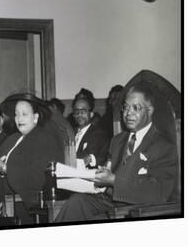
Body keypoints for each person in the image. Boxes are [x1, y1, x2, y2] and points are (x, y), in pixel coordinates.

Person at [55, 83, 178, 222]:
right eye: (125, 107)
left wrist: (114, 180)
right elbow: (110, 170)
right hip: (108, 199)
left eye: (136, 108)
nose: (128, 113)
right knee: (75, 202)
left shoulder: (163, 146)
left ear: (149, 111)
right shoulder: (118, 140)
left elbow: (159, 193)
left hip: (136, 206)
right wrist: (99, 178)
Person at [0, 93, 63, 226]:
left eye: (24, 114)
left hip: (22, 204)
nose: (19, 118)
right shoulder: (13, 138)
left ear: (36, 117)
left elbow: (39, 177)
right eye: (16, 114)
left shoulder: (44, 139)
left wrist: (4, 168)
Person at [72, 96, 109, 167]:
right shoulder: (71, 133)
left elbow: (86, 157)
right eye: (76, 112)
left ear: (91, 114)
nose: (79, 115)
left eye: (83, 111)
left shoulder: (98, 134)